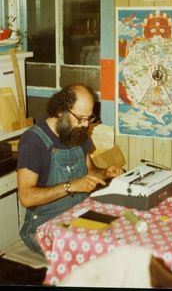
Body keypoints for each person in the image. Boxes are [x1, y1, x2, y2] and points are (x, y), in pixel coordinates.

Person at [17, 83, 123, 255]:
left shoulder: (76, 132)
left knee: (121, 237)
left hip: (79, 215)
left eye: (89, 118)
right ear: (60, 111)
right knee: (95, 255)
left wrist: (105, 173)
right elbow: (26, 197)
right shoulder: (33, 141)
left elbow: (89, 171)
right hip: (45, 227)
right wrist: (70, 186)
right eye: (80, 118)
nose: (85, 124)